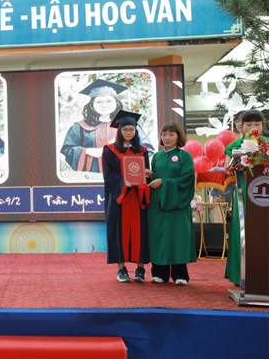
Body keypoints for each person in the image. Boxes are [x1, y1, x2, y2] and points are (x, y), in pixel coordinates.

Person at [61, 79, 155, 173]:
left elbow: (147, 149)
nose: (104, 105)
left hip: (123, 175)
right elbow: (67, 149)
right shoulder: (80, 127)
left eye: (109, 101)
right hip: (92, 175)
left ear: (116, 102)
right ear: (92, 105)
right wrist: (87, 151)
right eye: (99, 102)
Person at [102, 111, 150, 283]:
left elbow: (145, 174)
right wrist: (124, 183)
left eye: (131, 129)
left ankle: (140, 268)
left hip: (137, 198)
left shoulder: (143, 151)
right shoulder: (109, 150)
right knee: (118, 232)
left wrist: (146, 175)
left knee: (141, 231)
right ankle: (121, 269)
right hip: (119, 198)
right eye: (125, 129)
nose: (128, 132)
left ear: (136, 131)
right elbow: (108, 176)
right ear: (119, 131)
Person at [146, 121, 196, 285]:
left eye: (171, 134)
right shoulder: (157, 156)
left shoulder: (184, 156)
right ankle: (159, 273)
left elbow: (187, 179)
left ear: (178, 136)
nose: (167, 138)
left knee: (178, 238)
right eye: (164, 134)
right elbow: (155, 177)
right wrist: (150, 175)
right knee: (159, 237)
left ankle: (180, 275)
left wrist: (163, 182)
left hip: (177, 204)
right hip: (157, 205)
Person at [224, 109, 269, 286]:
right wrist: (239, 160)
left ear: (263, 126)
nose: (253, 127)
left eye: (257, 124)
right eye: (248, 124)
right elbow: (227, 169)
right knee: (241, 232)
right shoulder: (234, 146)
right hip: (243, 193)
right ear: (241, 127)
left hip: (264, 197)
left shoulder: (267, 144)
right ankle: (240, 276)